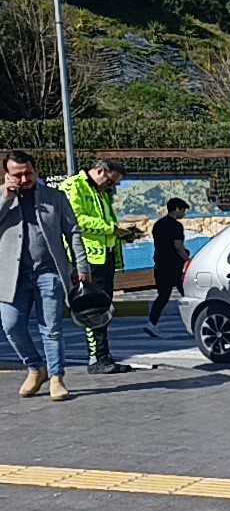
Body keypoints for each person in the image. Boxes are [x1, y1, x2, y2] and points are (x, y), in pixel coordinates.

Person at [0, 151, 92, 401]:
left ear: (36, 172)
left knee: (51, 330)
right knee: (11, 327)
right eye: (17, 175)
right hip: (12, 277)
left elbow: (73, 232)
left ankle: (56, 378)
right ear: (7, 175)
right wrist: (6, 199)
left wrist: (82, 267)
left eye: (28, 173)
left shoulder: (55, 197)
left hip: (49, 273)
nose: (24, 179)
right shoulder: (2, 197)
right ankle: (35, 367)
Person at [61, 159, 134, 374]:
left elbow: (107, 224)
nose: (112, 187)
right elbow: (76, 220)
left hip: (104, 257)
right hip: (86, 259)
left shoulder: (100, 192)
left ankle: (103, 355)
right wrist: (112, 228)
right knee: (92, 309)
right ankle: (97, 359)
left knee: (103, 308)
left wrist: (122, 234)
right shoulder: (74, 186)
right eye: (111, 182)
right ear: (101, 171)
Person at [145, 198, 190, 338]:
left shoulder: (158, 224)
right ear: (176, 209)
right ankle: (198, 323)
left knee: (163, 296)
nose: (184, 214)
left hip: (160, 265)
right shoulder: (176, 226)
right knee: (189, 294)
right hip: (175, 267)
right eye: (183, 210)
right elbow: (178, 246)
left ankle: (151, 324)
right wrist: (188, 260)